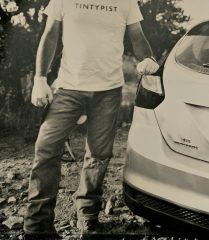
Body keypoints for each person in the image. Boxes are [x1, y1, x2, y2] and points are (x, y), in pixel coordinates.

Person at [23, 0, 159, 238]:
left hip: (108, 90)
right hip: (68, 88)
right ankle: (37, 226)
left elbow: (137, 37)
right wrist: (40, 79)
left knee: (98, 154)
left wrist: (148, 59)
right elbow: (50, 36)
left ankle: (87, 215)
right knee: (46, 148)